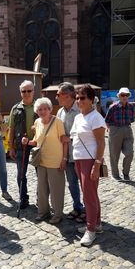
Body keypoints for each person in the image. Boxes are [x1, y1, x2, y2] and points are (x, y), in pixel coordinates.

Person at [70, 85, 106, 246]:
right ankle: (96, 224)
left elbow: (101, 142)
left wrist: (96, 164)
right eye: (77, 98)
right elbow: (73, 137)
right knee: (90, 193)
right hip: (78, 159)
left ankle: (90, 230)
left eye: (82, 98)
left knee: (89, 197)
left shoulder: (95, 117)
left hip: (90, 160)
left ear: (91, 99)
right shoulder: (79, 117)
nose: (79, 101)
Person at [21, 97, 67, 224]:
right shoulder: (37, 122)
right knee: (42, 188)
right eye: (40, 109)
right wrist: (27, 142)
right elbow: (36, 141)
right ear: (37, 111)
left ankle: (57, 214)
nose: (42, 111)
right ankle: (43, 212)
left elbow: (64, 141)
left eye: (45, 109)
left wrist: (64, 159)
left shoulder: (57, 121)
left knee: (56, 189)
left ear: (50, 109)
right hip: (41, 161)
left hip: (55, 161)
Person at [56, 82, 85, 222]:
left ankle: (87, 211)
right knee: (72, 183)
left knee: (85, 184)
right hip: (66, 155)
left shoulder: (81, 109)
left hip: (81, 154)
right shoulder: (60, 112)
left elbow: (86, 132)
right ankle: (77, 208)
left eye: (58, 94)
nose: (56, 97)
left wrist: (69, 138)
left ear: (67, 95)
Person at [8, 80, 38, 209]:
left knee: (41, 174)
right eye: (23, 91)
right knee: (21, 174)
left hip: (38, 145)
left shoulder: (40, 106)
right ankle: (23, 198)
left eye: (29, 90)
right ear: (20, 93)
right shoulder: (15, 108)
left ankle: (40, 198)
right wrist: (11, 147)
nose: (26, 93)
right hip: (22, 146)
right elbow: (12, 129)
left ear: (33, 91)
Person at [104, 87, 135, 181]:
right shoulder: (113, 107)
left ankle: (126, 173)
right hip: (115, 130)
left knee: (130, 153)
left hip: (127, 129)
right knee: (114, 154)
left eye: (127, 95)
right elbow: (107, 120)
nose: (125, 97)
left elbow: (132, 119)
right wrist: (110, 129)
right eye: (122, 95)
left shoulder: (130, 106)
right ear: (119, 96)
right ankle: (115, 174)